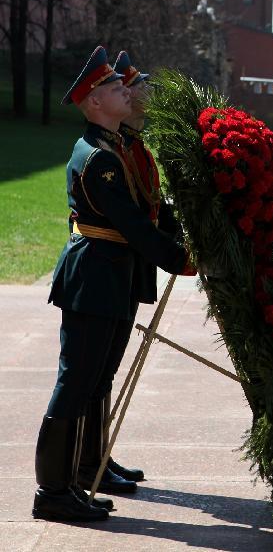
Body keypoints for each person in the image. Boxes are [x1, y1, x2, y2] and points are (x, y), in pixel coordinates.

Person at [36, 46, 194, 522]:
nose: (126, 91)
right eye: (113, 88)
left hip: (112, 273)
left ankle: (83, 472)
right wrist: (180, 259)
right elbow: (132, 224)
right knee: (75, 381)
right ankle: (52, 492)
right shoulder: (99, 158)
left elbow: (147, 209)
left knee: (96, 378)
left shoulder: (115, 148)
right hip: (95, 275)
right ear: (94, 103)